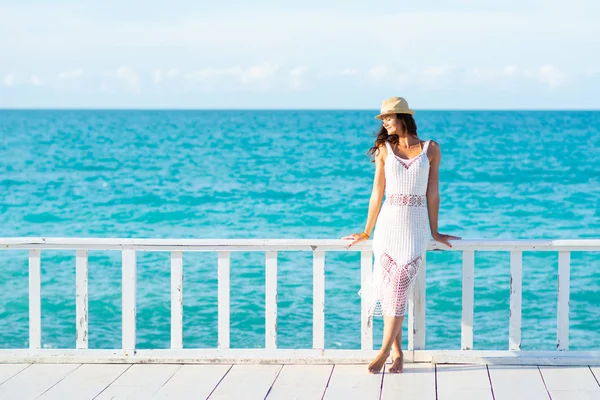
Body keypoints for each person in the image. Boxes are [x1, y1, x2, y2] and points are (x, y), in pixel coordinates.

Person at [342, 96, 461, 374]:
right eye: (383, 119)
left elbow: (432, 192)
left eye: (388, 117)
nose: (384, 122)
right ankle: (397, 354)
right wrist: (366, 230)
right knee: (387, 290)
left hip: (415, 228)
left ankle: (382, 351)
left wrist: (434, 230)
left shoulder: (431, 149)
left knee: (398, 287)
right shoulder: (385, 149)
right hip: (387, 227)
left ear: (403, 118)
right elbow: (377, 193)